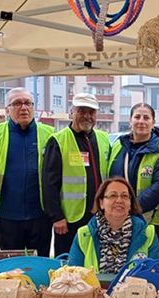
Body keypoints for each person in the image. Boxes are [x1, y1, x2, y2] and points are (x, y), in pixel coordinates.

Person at [0, 88, 54, 257]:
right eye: (17, 103)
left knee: (40, 264)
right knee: (11, 266)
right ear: (7, 109)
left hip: (40, 214)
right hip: (8, 214)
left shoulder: (50, 133)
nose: (23, 108)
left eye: (27, 103)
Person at [42, 93, 111, 256]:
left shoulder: (103, 139)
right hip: (69, 219)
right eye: (81, 111)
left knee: (96, 260)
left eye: (91, 112)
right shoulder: (58, 141)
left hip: (99, 216)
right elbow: (49, 183)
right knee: (69, 262)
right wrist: (56, 217)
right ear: (72, 112)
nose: (87, 116)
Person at [108, 103, 159, 257]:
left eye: (146, 117)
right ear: (130, 121)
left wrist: (131, 207)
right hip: (119, 219)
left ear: (153, 123)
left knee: (148, 268)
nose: (141, 121)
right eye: (137, 117)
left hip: (151, 222)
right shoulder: (118, 146)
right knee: (120, 264)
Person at [69, 177, 159, 273]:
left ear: (130, 203)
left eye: (125, 196)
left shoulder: (148, 233)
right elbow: (72, 276)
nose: (119, 200)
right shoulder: (84, 235)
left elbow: (157, 273)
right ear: (101, 203)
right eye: (113, 195)